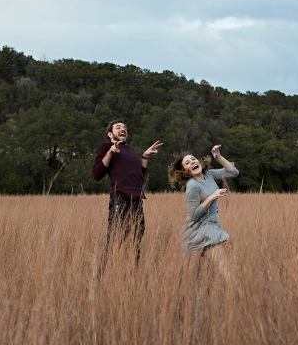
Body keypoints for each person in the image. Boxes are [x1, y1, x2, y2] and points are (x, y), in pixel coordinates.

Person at [92, 120, 162, 268]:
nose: (123, 129)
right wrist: (110, 152)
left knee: (135, 246)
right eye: (118, 127)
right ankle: (103, 279)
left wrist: (144, 157)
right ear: (110, 134)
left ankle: (130, 280)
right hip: (120, 201)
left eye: (124, 127)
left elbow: (139, 176)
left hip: (137, 202)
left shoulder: (129, 150)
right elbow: (97, 174)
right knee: (114, 244)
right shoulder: (105, 147)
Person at [168, 145, 239, 281]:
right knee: (192, 278)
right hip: (195, 232)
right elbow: (193, 215)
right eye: (187, 163)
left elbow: (233, 172)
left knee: (221, 271)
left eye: (193, 159)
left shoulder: (209, 174)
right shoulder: (192, 185)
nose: (193, 162)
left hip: (210, 227)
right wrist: (212, 196)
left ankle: (237, 296)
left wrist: (218, 157)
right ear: (185, 171)